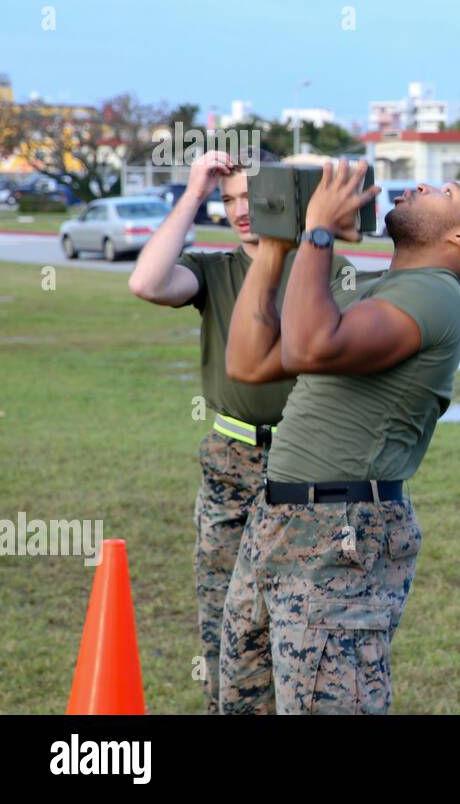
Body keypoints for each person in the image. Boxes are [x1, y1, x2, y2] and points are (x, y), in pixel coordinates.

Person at [220, 165, 460, 714]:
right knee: (244, 703)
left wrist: (317, 235)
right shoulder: (379, 289)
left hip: (340, 536)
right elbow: (248, 361)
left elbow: (310, 346)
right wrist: (274, 250)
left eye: (447, 192)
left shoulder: (436, 296)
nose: (424, 186)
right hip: (282, 524)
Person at [127, 148, 352, 714]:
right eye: (229, 201)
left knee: (306, 621)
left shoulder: (324, 270)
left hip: (310, 463)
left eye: (254, 197)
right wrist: (194, 190)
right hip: (233, 460)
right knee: (226, 622)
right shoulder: (217, 270)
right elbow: (148, 282)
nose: (241, 211)